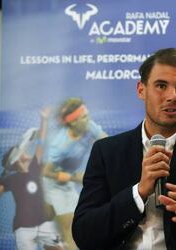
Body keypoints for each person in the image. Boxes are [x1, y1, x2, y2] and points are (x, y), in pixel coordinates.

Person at [72, 48, 176, 249]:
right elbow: (84, 234)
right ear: (141, 90)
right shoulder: (107, 152)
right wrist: (138, 193)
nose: (172, 96)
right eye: (161, 85)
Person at [42, 98, 107, 250]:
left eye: (87, 115)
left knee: (48, 217)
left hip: (69, 180)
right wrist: (72, 177)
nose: (88, 119)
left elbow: (107, 142)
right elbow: (45, 171)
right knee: (71, 228)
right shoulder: (60, 145)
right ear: (72, 122)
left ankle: (48, 239)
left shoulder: (88, 126)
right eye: (84, 117)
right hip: (55, 183)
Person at [0, 108, 64, 250]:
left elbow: (41, 142)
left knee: (60, 248)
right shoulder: (10, 179)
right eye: (23, 150)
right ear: (16, 159)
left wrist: (44, 120)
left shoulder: (35, 166)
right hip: (23, 228)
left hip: (44, 223)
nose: (27, 150)